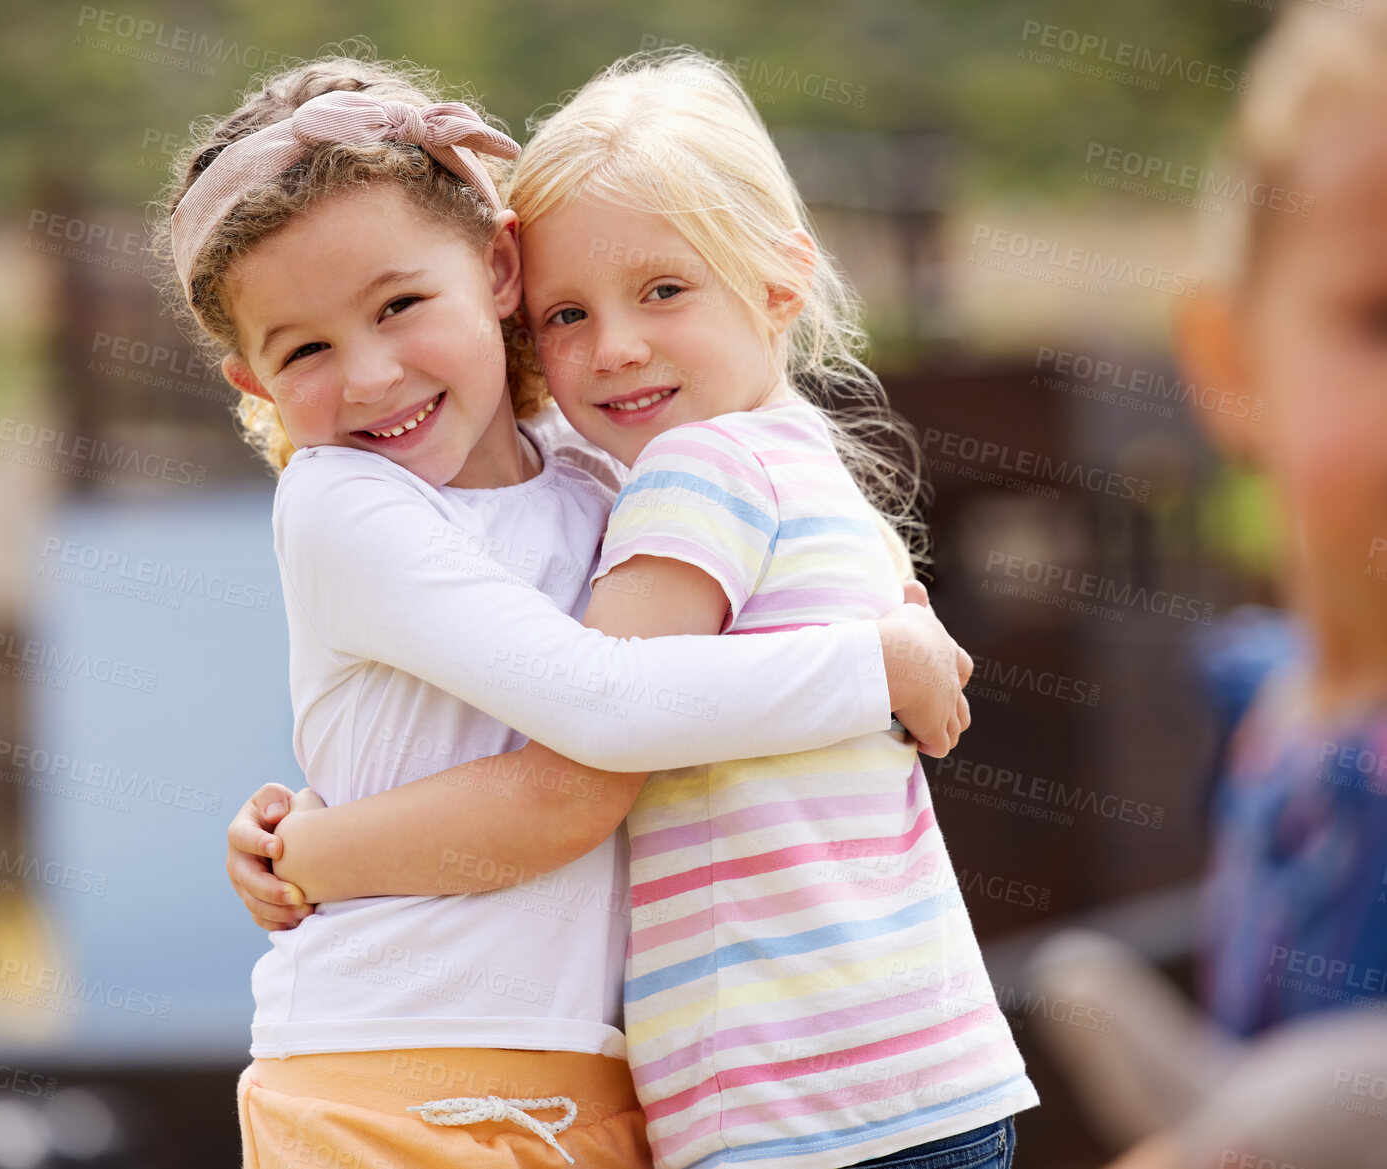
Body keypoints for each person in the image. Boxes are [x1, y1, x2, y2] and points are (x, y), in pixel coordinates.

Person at [161, 53, 973, 1168]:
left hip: (597, 1084)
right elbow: (593, 728)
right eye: (304, 349)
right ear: (252, 383)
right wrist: (870, 667)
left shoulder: (603, 479)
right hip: (391, 1076)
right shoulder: (340, 500)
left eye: (399, 304)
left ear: (497, 269)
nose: (368, 375)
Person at [1025, 3, 1387, 1166]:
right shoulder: (1260, 700)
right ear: (1233, 362)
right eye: (1380, 317)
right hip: (1236, 1097)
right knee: (1075, 980)